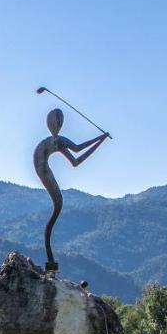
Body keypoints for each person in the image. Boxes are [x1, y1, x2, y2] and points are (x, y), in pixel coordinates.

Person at [33, 108, 108, 272]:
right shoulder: (56, 141)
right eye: (58, 121)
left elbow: (75, 158)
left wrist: (100, 140)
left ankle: (51, 263)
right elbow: (77, 153)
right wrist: (100, 140)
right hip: (43, 169)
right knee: (58, 205)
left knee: (57, 207)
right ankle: (50, 263)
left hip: (42, 168)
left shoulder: (53, 141)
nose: (58, 125)